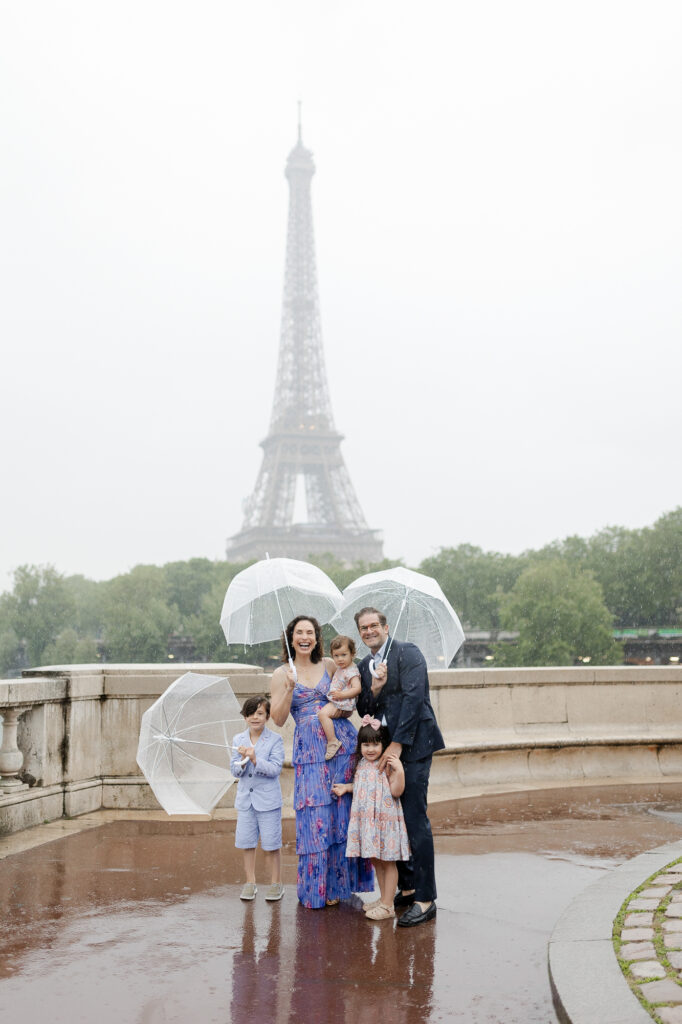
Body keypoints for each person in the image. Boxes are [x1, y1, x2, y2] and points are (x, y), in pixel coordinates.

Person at [270, 615, 374, 909]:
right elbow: (277, 720)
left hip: (342, 745)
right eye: (299, 632)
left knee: (342, 816)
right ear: (291, 638)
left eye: (311, 632)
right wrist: (289, 688)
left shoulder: (330, 664)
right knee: (315, 818)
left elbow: (351, 697)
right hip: (309, 752)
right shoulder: (281, 674)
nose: (305, 637)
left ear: (316, 638)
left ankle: (340, 886)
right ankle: (317, 888)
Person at [355, 606, 444, 927]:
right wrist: (375, 689)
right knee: (395, 820)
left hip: (415, 746)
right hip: (386, 750)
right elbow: (363, 708)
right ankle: (406, 888)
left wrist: (398, 744)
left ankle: (426, 897)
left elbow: (414, 698)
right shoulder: (364, 664)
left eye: (374, 626)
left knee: (414, 818)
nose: (369, 631)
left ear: (385, 627)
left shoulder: (408, 652)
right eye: (363, 628)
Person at [333, 716, 410, 921]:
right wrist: (346, 787)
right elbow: (362, 787)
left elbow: (396, 791)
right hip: (369, 822)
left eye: (376, 744)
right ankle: (384, 898)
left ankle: (388, 905)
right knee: (376, 860)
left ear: (383, 745)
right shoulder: (361, 764)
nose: (370, 749)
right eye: (366, 744)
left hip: (385, 820)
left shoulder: (387, 765)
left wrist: (400, 770)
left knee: (387, 862)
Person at [230, 695, 285, 902]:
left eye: (260, 713)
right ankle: (250, 882)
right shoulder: (238, 740)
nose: (255, 717)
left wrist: (255, 759)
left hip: (268, 802)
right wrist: (242, 762)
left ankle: (276, 882)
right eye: (251, 713)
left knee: (272, 844)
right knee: (247, 842)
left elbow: (275, 769)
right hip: (246, 801)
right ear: (245, 717)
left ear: (267, 716)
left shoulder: (275, 740)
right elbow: (234, 771)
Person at [317, 635, 362, 760]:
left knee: (322, 715)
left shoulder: (351, 671)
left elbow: (357, 688)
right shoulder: (342, 668)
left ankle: (332, 741)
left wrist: (340, 695)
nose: (340, 659)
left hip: (342, 703)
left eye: (343, 655)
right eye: (336, 656)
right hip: (339, 701)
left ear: (352, 654)